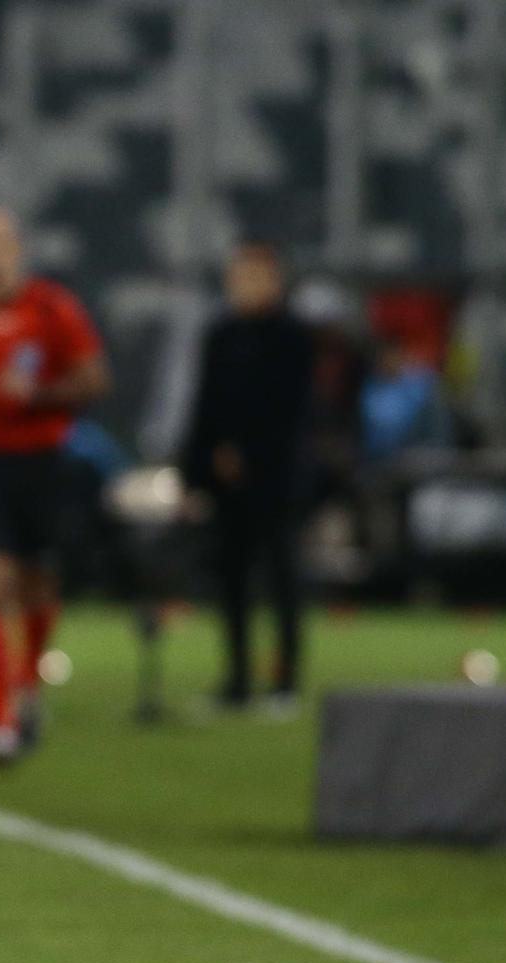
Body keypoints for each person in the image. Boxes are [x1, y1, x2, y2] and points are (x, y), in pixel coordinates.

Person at [0, 209, 109, 764]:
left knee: (37, 583)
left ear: (17, 252)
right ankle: (0, 721)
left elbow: (95, 381)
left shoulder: (53, 309)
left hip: (42, 461)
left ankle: (28, 681)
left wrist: (37, 393)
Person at [180, 241, 316, 711]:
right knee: (231, 579)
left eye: (254, 275)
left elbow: (292, 413)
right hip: (225, 480)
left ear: (275, 280)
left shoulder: (294, 338)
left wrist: (251, 455)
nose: (244, 285)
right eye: (238, 275)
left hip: (275, 477)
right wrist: (197, 469)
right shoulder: (220, 334)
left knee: (282, 578)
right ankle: (236, 681)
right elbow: (205, 406)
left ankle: (285, 682)